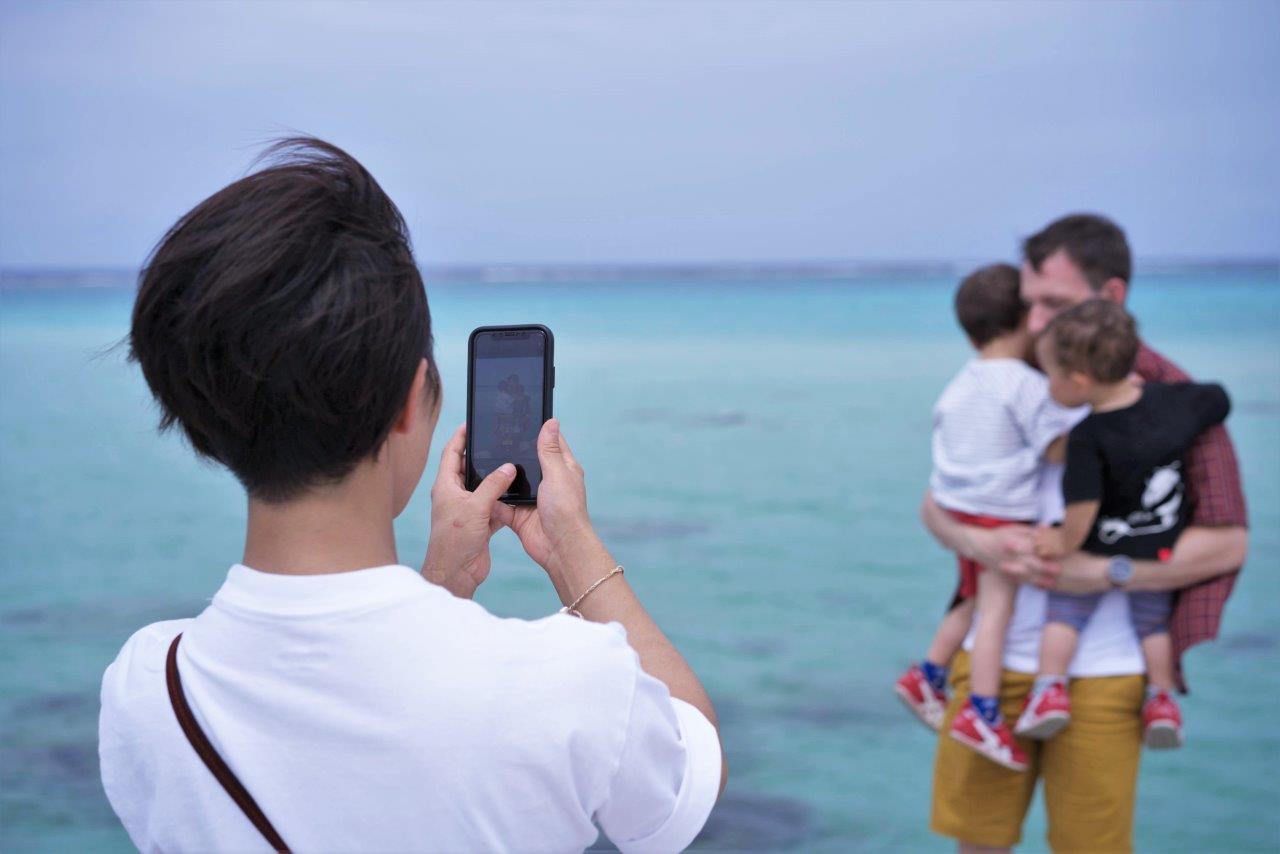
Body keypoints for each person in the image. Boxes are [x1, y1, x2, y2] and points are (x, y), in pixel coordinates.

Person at [98, 138, 726, 853]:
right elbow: (690, 777)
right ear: (409, 401)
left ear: (199, 421)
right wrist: (571, 548)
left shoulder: (148, 688)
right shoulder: (563, 684)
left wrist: (441, 586)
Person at [922, 214, 1248, 853]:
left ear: (1112, 295)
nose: (1035, 322)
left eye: (1055, 303)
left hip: (1105, 672)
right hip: (991, 665)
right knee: (976, 844)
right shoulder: (1010, 374)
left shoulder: (1173, 401)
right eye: (1029, 303)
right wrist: (979, 544)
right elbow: (936, 504)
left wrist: (1102, 570)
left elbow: (1229, 542)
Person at [1014, 299, 1230, 752]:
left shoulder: (1087, 438)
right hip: (1159, 546)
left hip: (1100, 544)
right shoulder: (1173, 402)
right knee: (1153, 625)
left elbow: (1082, 509)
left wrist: (1059, 542)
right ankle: (1162, 700)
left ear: (1079, 381)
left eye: (1050, 375)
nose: (1048, 385)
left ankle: (1049, 692)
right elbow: (1218, 398)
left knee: (1064, 615)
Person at [893, 264, 1080, 773]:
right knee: (996, 611)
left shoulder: (960, 383)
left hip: (960, 509)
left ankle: (927, 675)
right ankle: (982, 712)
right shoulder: (1024, 384)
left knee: (971, 599)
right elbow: (1056, 449)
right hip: (1003, 516)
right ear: (1024, 319)